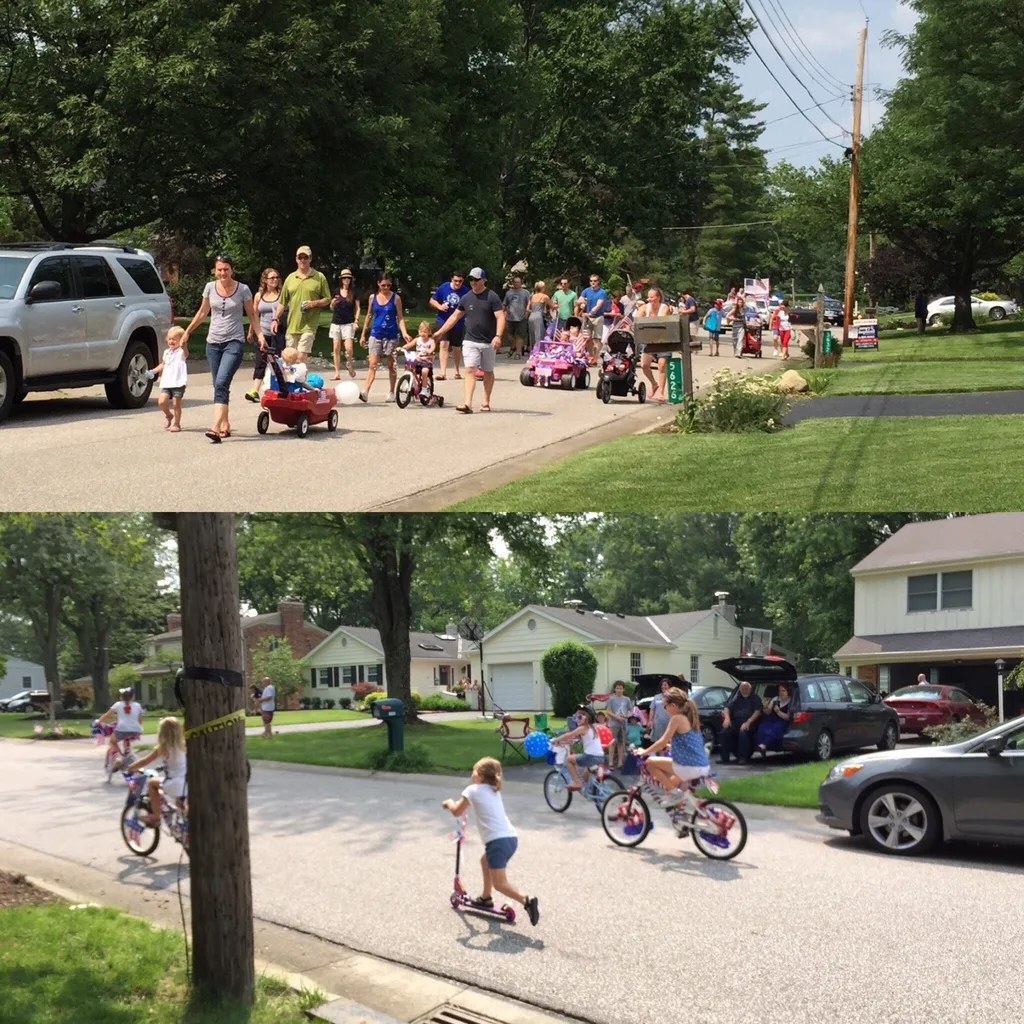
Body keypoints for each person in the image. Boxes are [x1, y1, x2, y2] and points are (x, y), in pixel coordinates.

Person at [442, 756, 539, 926]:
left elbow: (457, 811)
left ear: (478, 775)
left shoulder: (473, 789)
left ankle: (527, 901)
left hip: (497, 842)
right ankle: (486, 897)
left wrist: (449, 803)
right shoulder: (493, 789)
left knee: (500, 883)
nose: (471, 775)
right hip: (510, 838)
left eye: (473, 771)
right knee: (484, 861)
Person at [182, 255, 266, 443]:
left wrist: (260, 336)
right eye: (219, 269)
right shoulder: (210, 287)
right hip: (212, 343)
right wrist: (187, 332)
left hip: (233, 342)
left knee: (221, 382)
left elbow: (252, 314)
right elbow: (203, 312)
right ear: (215, 270)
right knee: (219, 385)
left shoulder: (243, 289)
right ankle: (225, 424)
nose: (222, 273)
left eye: (226, 269)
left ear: (232, 269)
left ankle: (215, 427)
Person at [433, 267, 504, 414]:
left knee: (488, 371)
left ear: (484, 280)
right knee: (470, 369)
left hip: (488, 342)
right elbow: (454, 317)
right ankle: (467, 403)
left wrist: (498, 335)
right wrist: (440, 332)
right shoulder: (466, 297)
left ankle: (486, 401)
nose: (473, 282)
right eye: (471, 279)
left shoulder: (492, 297)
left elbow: (500, 317)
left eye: (477, 280)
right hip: (470, 340)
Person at [637, 686, 710, 806]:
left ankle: (674, 794)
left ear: (674, 706)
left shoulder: (677, 718)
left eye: (665, 706)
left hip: (688, 766)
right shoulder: (689, 718)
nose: (665, 710)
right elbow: (688, 743)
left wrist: (644, 752)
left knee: (649, 762)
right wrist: (671, 746)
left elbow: (662, 740)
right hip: (700, 765)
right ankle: (683, 817)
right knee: (673, 784)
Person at [273, 246, 332, 360]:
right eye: (300, 257)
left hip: (309, 325)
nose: (303, 260)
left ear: (310, 259)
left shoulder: (319, 277)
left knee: (301, 356)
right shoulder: (290, 278)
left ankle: (299, 377)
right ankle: (295, 378)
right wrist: (275, 319)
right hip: (292, 326)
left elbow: (327, 299)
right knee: (291, 359)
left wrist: (313, 303)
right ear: (296, 259)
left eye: (305, 257)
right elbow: (282, 302)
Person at [359, 273, 411, 403]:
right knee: (372, 364)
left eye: (388, 285)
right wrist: (363, 333)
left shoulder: (396, 298)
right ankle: (365, 391)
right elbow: (369, 315)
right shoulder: (373, 297)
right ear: (378, 284)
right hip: (376, 334)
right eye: (383, 285)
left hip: (391, 335)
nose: (386, 287)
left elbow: (400, 317)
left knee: (391, 365)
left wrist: (404, 332)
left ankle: (392, 391)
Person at [128, 716, 187, 827]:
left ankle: (155, 817)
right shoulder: (184, 745)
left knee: (152, 783)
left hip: (174, 783)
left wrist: (131, 767)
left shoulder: (163, 747)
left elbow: (145, 760)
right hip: (186, 783)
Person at [246, 268, 286, 402]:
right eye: (272, 278)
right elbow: (254, 315)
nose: (275, 280)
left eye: (276, 277)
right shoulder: (259, 296)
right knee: (260, 362)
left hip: (277, 333)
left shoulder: (282, 295)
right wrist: (251, 331)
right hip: (262, 333)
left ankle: (281, 389)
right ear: (265, 280)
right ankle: (254, 391)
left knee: (277, 362)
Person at [552, 705, 606, 791]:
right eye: (575, 717)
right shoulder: (592, 728)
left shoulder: (583, 728)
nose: (577, 719)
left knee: (569, 759)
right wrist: (573, 741)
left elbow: (568, 735)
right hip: (600, 756)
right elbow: (584, 740)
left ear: (587, 718)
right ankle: (590, 791)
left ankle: (576, 783)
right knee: (584, 779)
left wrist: (555, 740)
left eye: (580, 717)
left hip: (590, 757)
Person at [635, 286, 674, 401]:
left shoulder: (664, 307)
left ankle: (661, 392)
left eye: (652, 297)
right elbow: (637, 319)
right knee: (644, 365)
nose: (649, 299)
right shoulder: (644, 307)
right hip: (649, 339)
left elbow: (660, 320)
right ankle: (654, 384)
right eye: (648, 297)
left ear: (658, 297)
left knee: (662, 365)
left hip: (663, 339)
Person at [430, 272, 469, 380]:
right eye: (455, 280)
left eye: (460, 281)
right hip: (443, 320)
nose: (458, 283)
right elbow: (432, 300)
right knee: (444, 344)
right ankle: (443, 372)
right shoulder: (444, 287)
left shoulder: (465, 291)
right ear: (451, 279)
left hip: (458, 322)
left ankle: (456, 370)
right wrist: (439, 306)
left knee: (456, 347)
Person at [148, 326, 188, 432]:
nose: (171, 341)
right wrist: (153, 371)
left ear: (181, 340)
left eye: (174, 339)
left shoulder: (181, 352)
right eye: (169, 339)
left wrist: (184, 346)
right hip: (166, 382)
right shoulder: (167, 352)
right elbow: (163, 365)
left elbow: (186, 354)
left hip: (178, 382)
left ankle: (177, 424)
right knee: (161, 402)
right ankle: (168, 415)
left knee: (176, 404)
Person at [718, 680, 763, 765]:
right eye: (742, 688)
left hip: (750, 722)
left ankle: (742, 758)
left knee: (743, 732)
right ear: (739, 689)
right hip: (736, 721)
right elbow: (727, 708)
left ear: (750, 689)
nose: (744, 690)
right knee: (724, 732)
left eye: (746, 688)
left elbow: (758, 711)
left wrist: (748, 722)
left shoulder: (755, 698)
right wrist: (727, 718)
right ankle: (725, 758)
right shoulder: (737, 698)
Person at [94, 687, 144, 761]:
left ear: (121, 697)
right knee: (127, 738)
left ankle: (117, 758)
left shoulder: (118, 704)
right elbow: (140, 720)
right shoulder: (137, 705)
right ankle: (127, 753)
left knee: (112, 741)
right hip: (136, 730)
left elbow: (107, 715)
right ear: (133, 696)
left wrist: (99, 721)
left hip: (121, 729)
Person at [329, 269, 361, 380]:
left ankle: (349, 364)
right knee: (336, 348)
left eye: (348, 278)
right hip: (336, 322)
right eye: (344, 278)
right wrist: (332, 304)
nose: (346, 280)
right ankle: (337, 372)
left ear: (351, 279)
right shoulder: (337, 291)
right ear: (341, 279)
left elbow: (358, 308)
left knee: (348, 348)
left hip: (348, 323)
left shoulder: (354, 292)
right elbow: (331, 307)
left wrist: (356, 321)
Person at [755, 682, 791, 756]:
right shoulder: (775, 699)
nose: (781, 693)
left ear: (787, 691)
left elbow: (788, 717)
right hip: (772, 719)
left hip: (782, 720)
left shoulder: (790, 701)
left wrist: (778, 712)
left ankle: (764, 745)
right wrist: (765, 707)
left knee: (777, 727)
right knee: (763, 726)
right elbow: (768, 712)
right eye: (780, 691)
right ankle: (761, 745)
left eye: (783, 690)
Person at [577, 274, 607, 362]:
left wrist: (591, 312)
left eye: (594, 281)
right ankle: (591, 356)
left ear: (598, 282)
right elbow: (580, 300)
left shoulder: (602, 292)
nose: (593, 282)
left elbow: (599, 304)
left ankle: (595, 357)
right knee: (587, 338)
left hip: (598, 317)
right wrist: (581, 302)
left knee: (596, 339)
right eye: (591, 281)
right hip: (587, 318)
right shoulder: (586, 291)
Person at [606, 681, 634, 771]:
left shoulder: (627, 699)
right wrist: (616, 717)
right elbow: (608, 711)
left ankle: (620, 762)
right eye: (617, 688)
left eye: (620, 688)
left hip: (623, 724)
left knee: (621, 743)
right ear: (615, 689)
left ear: (623, 689)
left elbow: (630, 711)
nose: (619, 690)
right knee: (612, 743)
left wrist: (627, 716)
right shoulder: (611, 699)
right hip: (614, 724)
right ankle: (610, 762)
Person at [401, 320, 436, 391]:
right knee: (409, 368)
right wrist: (402, 348)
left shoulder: (431, 341)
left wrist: (429, 351)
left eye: (425, 332)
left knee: (424, 372)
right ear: (418, 331)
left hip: (426, 361)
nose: (423, 333)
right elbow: (409, 345)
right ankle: (408, 384)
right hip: (417, 359)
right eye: (421, 331)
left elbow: (432, 348)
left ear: (429, 332)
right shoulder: (417, 340)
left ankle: (424, 389)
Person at [503, 275, 531, 359]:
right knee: (509, 335)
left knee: (519, 336)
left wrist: (526, 313)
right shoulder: (509, 292)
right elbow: (505, 304)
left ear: (521, 283)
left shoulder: (525, 292)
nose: (517, 284)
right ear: (513, 283)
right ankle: (513, 346)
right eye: (515, 282)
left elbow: (529, 303)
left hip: (521, 317)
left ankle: (518, 353)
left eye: (518, 282)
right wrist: (502, 312)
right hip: (510, 317)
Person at [647, 677, 673, 745]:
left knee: (668, 741)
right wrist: (650, 720)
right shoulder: (656, 697)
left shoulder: (672, 697)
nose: (663, 686)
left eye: (665, 685)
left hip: (669, 722)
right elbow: (652, 709)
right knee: (658, 741)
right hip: (658, 723)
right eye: (662, 685)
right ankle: (660, 754)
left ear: (669, 686)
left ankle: (667, 755)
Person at [528, 281, 550, 347]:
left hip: (531, 316)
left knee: (532, 335)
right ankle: (539, 351)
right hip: (538, 315)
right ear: (542, 288)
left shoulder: (532, 296)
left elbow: (527, 309)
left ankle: (532, 350)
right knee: (539, 335)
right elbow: (552, 306)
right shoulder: (544, 296)